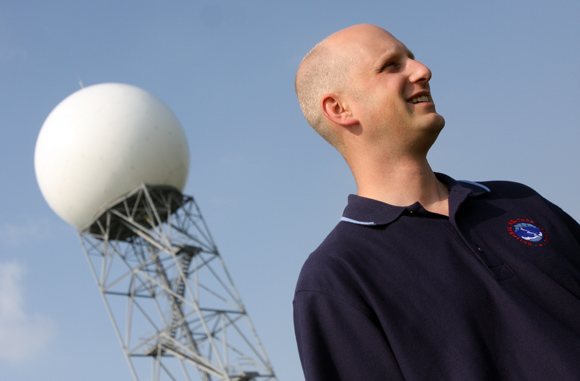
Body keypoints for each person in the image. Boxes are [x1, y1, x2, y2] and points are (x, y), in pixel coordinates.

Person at [293, 24, 580, 380]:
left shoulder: (517, 199)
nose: (422, 70)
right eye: (391, 66)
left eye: (411, 58)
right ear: (339, 108)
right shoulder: (336, 278)